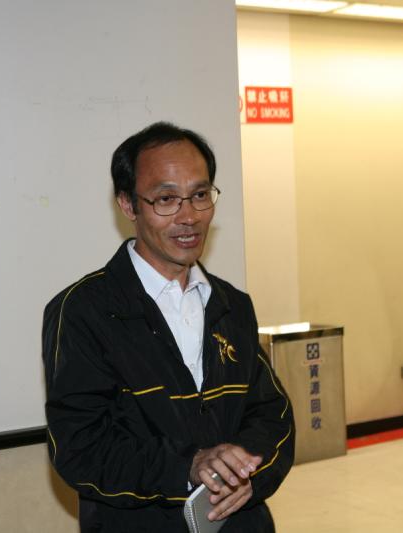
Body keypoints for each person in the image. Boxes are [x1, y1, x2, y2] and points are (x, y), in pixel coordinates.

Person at [42, 122, 294, 532]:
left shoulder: (232, 305)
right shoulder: (84, 311)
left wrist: (247, 471)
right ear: (128, 205)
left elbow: (273, 415)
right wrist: (188, 466)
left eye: (200, 195)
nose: (189, 216)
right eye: (166, 199)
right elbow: (82, 447)